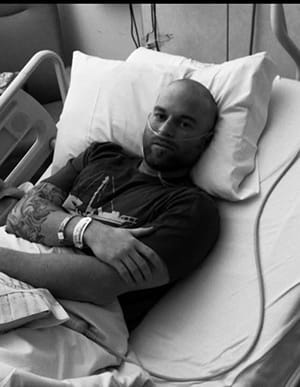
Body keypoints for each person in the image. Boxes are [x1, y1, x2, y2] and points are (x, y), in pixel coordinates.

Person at [1, 78, 220, 331]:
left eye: (184, 123)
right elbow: (20, 214)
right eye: (160, 115)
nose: (166, 129)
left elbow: (100, 283)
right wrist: (89, 231)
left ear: (205, 140)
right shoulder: (101, 156)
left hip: (65, 316)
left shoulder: (192, 209)